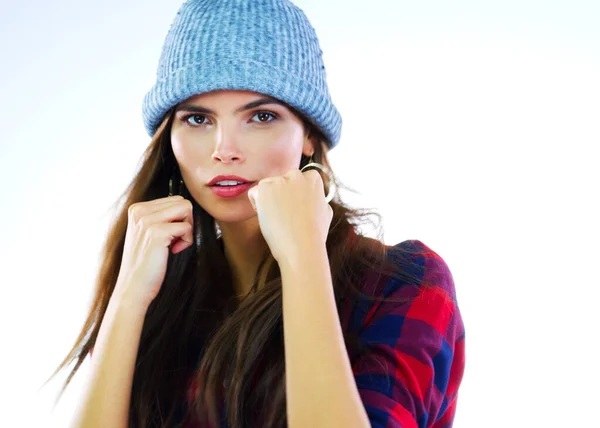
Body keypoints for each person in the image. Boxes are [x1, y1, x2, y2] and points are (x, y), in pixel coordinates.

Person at [47, 1, 465, 427]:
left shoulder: (401, 284)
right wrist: (127, 300)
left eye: (261, 116)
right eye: (197, 119)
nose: (224, 148)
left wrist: (303, 259)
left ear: (308, 136)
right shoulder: (164, 297)